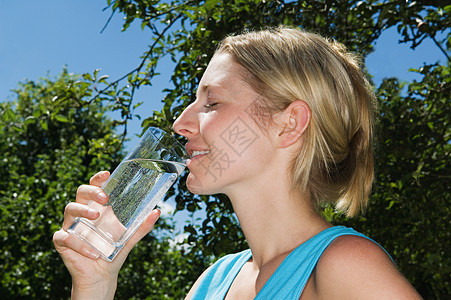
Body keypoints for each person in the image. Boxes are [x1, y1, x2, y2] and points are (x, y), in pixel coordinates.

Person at [53, 26, 422, 299]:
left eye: (211, 103)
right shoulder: (214, 282)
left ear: (288, 124)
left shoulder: (343, 265)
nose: (180, 124)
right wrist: (95, 284)